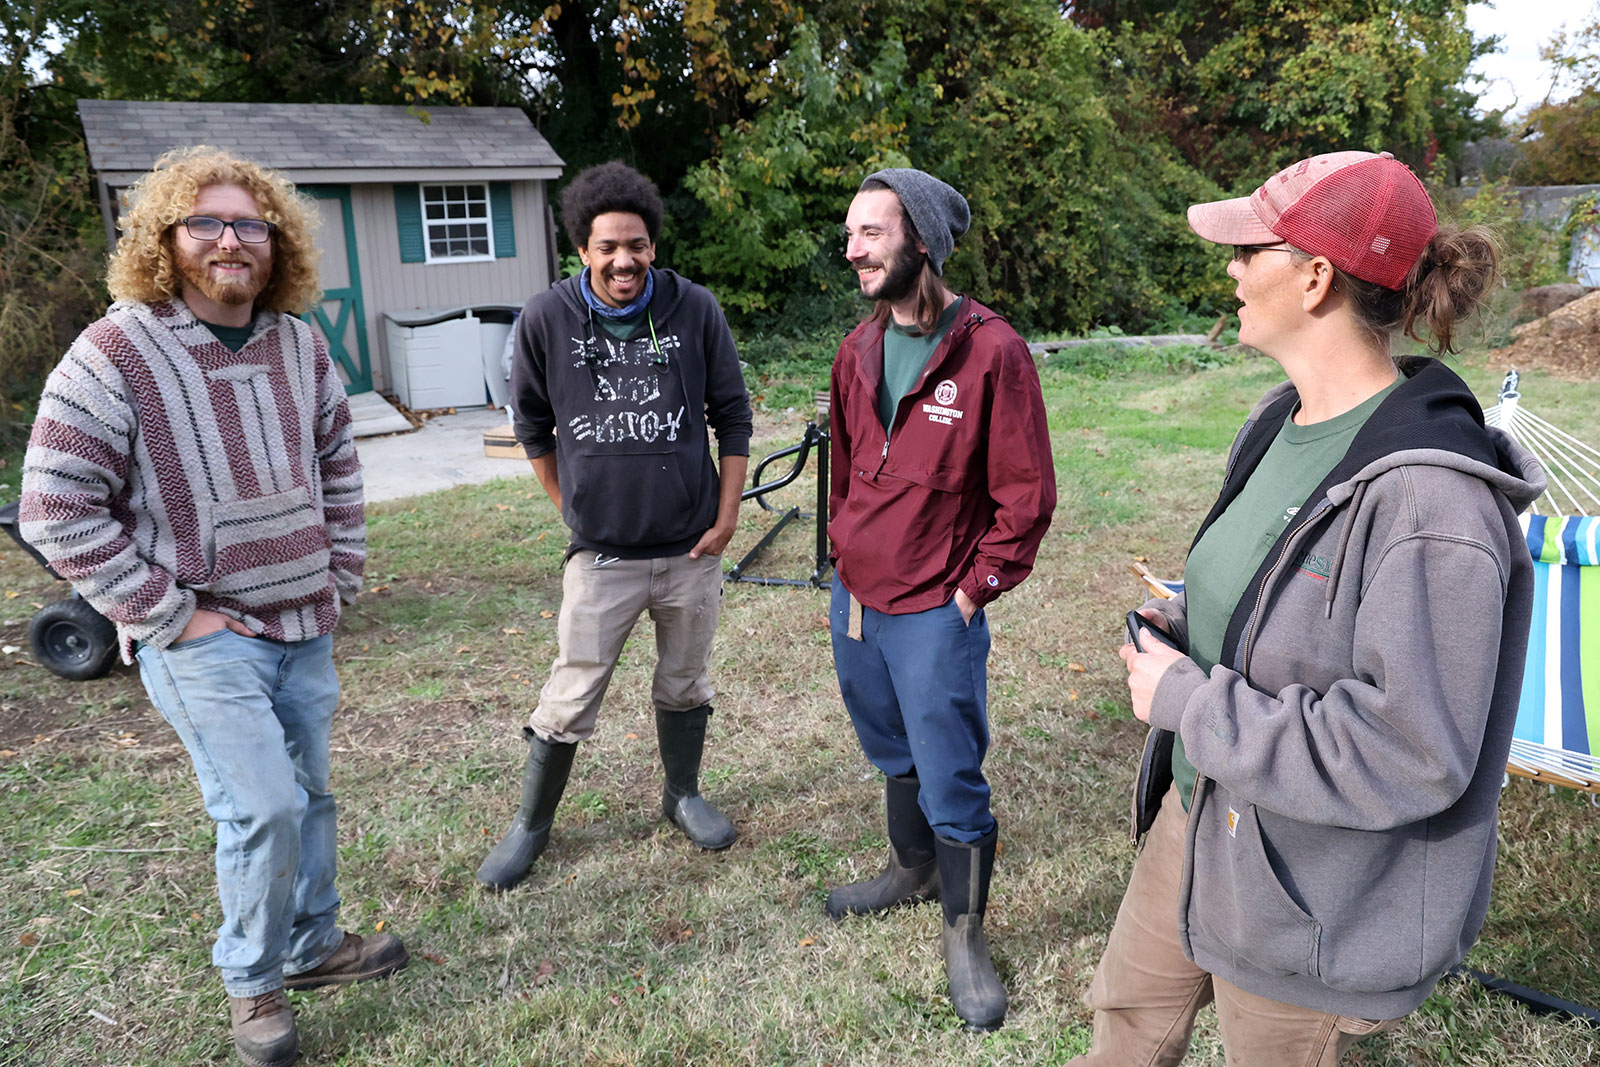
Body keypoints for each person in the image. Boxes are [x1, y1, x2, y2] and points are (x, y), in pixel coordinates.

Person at [1077, 151, 1544, 1065]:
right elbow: (1272, 597)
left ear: (1317, 276)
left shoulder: (1432, 507)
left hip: (1311, 905)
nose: (1231, 269)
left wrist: (1185, 702)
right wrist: (1192, 621)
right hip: (1200, 817)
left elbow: (1410, 751)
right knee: (1124, 1030)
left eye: (1250, 249)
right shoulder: (1273, 420)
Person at [19, 147, 407, 1067]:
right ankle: (251, 980)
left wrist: (339, 573)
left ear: (276, 243)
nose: (232, 241)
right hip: (203, 639)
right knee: (262, 806)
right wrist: (167, 614)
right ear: (166, 239)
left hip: (303, 627)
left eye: (251, 225)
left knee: (310, 796)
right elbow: (53, 504)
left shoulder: (299, 343)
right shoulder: (115, 352)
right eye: (208, 224)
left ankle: (313, 945)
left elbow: (338, 468)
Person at [478, 161, 752, 890]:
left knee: (685, 681)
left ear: (653, 246)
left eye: (636, 244)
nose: (623, 260)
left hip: (690, 548)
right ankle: (531, 824)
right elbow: (530, 424)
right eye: (608, 247)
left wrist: (727, 515)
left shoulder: (695, 310)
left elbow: (732, 415)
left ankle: (683, 794)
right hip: (601, 557)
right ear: (583, 251)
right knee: (570, 695)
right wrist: (569, 504)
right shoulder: (546, 318)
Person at [824, 168, 1057, 1031]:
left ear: (921, 238)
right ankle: (909, 869)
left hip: (934, 606)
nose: (854, 249)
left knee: (950, 767)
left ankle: (965, 934)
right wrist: (842, 559)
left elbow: (1025, 498)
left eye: (872, 232)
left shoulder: (992, 351)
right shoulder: (857, 348)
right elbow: (847, 472)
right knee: (890, 745)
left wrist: (970, 593)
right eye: (851, 234)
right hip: (857, 600)